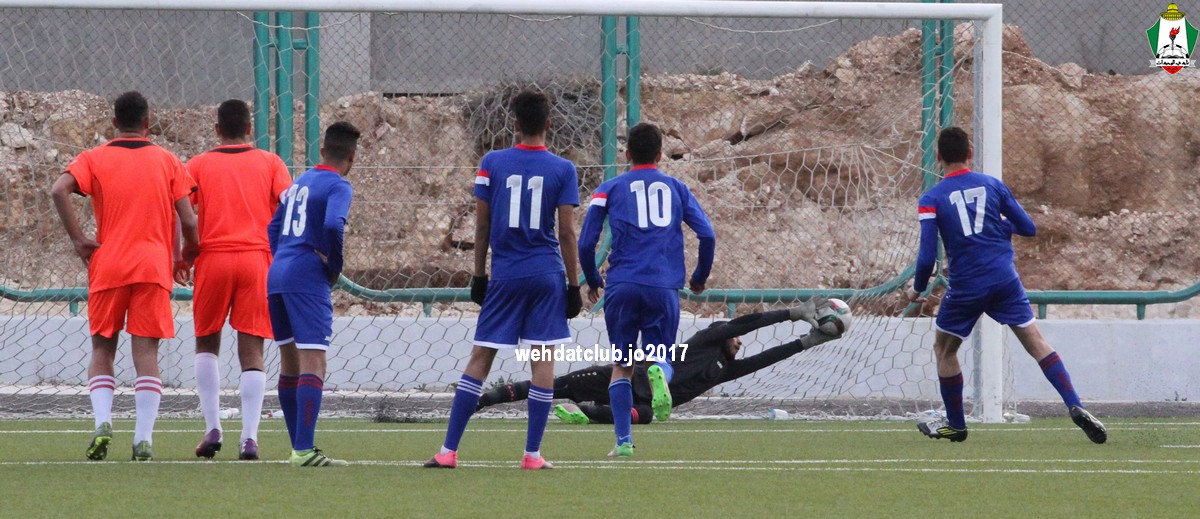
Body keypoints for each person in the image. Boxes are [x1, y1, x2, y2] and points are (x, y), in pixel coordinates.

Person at [906, 126, 1106, 444]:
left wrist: (917, 289)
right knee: (1036, 342)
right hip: (1004, 279)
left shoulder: (931, 199)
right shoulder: (992, 185)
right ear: (970, 153)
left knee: (944, 349)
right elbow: (1028, 227)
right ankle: (1075, 404)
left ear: (938, 156)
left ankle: (956, 425)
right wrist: (1000, 227)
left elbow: (927, 256)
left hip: (967, 285)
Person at [424, 90, 581, 471]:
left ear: (514, 125)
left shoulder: (492, 163)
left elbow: (482, 226)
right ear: (549, 124)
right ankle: (532, 455)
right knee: (542, 359)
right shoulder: (563, 169)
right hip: (546, 274)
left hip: (506, 275)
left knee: (481, 357)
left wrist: (479, 275)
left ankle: (448, 451)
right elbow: (566, 233)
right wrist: (574, 285)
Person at [50, 91, 199, 462]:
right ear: (148, 123)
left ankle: (103, 422)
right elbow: (188, 219)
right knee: (146, 351)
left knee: (103, 348)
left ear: (114, 122)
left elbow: (58, 189)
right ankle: (142, 439)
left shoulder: (94, 158)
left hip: (109, 263)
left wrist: (79, 240)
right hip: (152, 267)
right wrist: (184, 254)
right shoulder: (167, 161)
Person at [578, 122, 716, 458]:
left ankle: (623, 442)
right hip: (662, 286)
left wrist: (593, 278)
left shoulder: (608, 189)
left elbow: (585, 242)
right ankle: (659, 373)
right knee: (660, 356)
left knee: (622, 365)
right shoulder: (677, 189)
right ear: (660, 155)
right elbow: (707, 235)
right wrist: (699, 277)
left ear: (627, 154)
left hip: (623, 285)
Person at [475, 305, 843, 424]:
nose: (740, 342)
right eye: (734, 338)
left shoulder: (724, 369)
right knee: (556, 385)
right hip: (625, 377)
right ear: (722, 334)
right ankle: (486, 399)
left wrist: (805, 342)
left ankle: (584, 414)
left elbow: (765, 359)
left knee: (646, 416)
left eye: (738, 340)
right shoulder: (704, 342)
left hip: (645, 402)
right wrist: (793, 313)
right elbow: (745, 324)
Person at [188, 99, 292, 461]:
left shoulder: (198, 164)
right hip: (256, 259)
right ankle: (249, 438)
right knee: (252, 349)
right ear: (250, 129)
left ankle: (213, 427)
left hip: (212, 258)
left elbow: (182, 209)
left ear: (217, 130)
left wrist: (182, 252)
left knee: (206, 342)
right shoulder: (271, 163)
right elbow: (288, 204)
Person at [266, 121, 360, 467]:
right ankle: (304, 449)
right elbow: (333, 224)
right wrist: (334, 265)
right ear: (352, 156)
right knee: (314, 361)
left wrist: (283, 258)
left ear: (322, 151)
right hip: (306, 277)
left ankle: (299, 448)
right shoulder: (339, 185)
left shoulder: (298, 183)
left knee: (289, 362)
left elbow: (273, 226)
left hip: (277, 275)